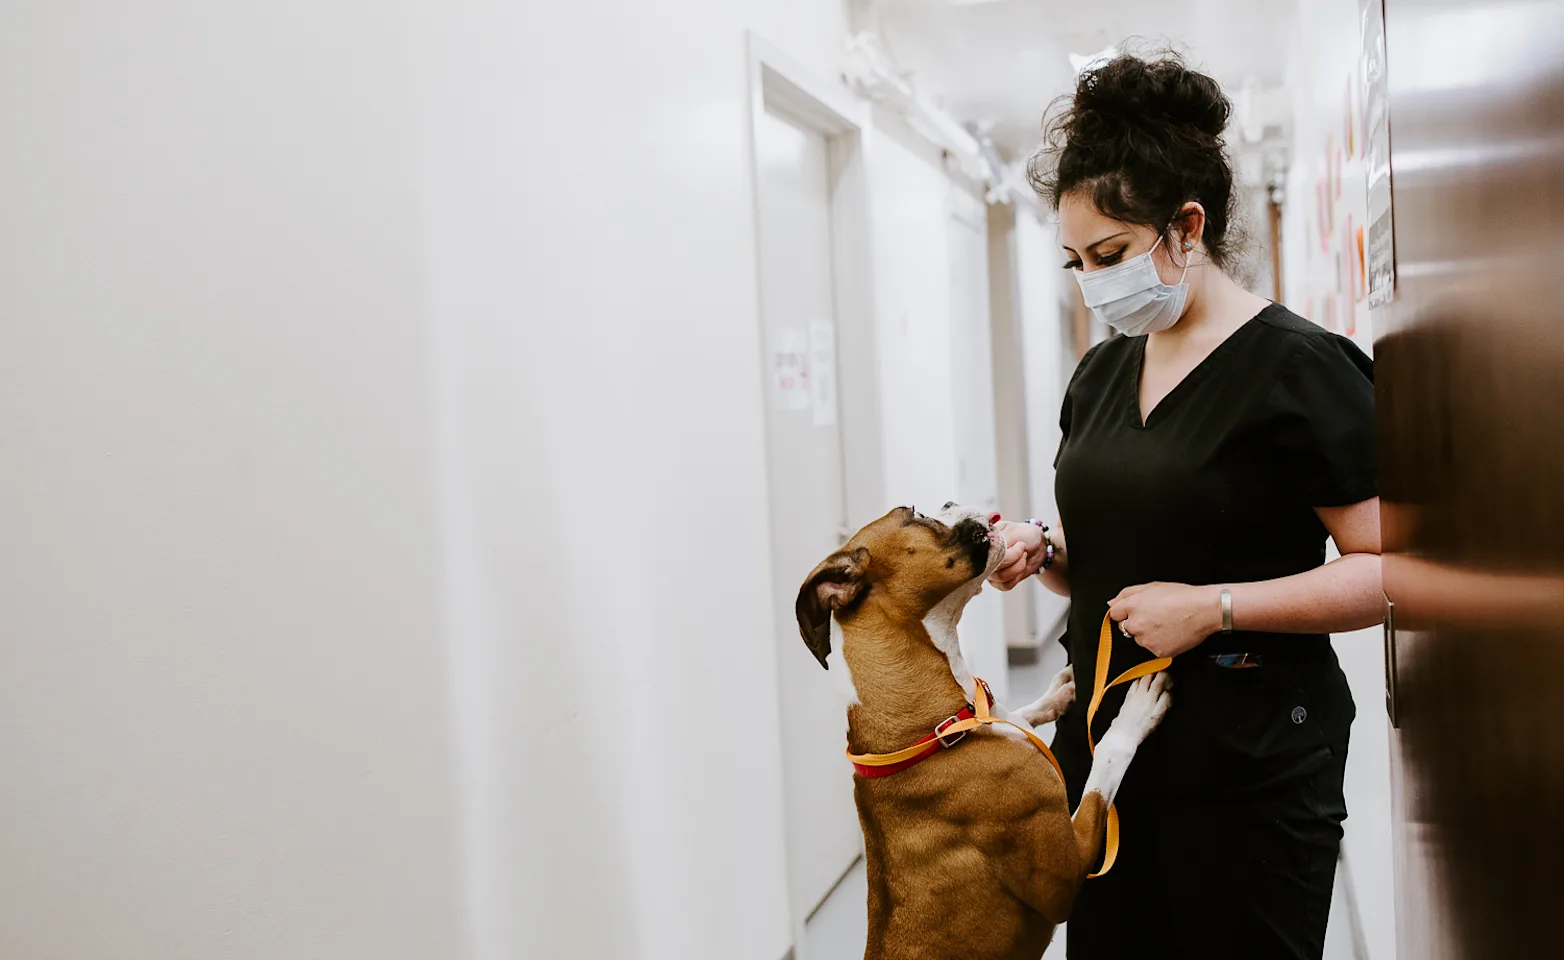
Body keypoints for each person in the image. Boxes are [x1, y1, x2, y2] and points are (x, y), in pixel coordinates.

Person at [989, 53, 1382, 960]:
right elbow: (1111, 569)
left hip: (1251, 774)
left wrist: (1216, 608)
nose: (1092, 281)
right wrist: (1043, 552)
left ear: (1187, 227)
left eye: (1111, 255)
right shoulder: (1098, 375)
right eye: (1076, 262)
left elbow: (1391, 573)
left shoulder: (1298, 369)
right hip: (1109, 771)